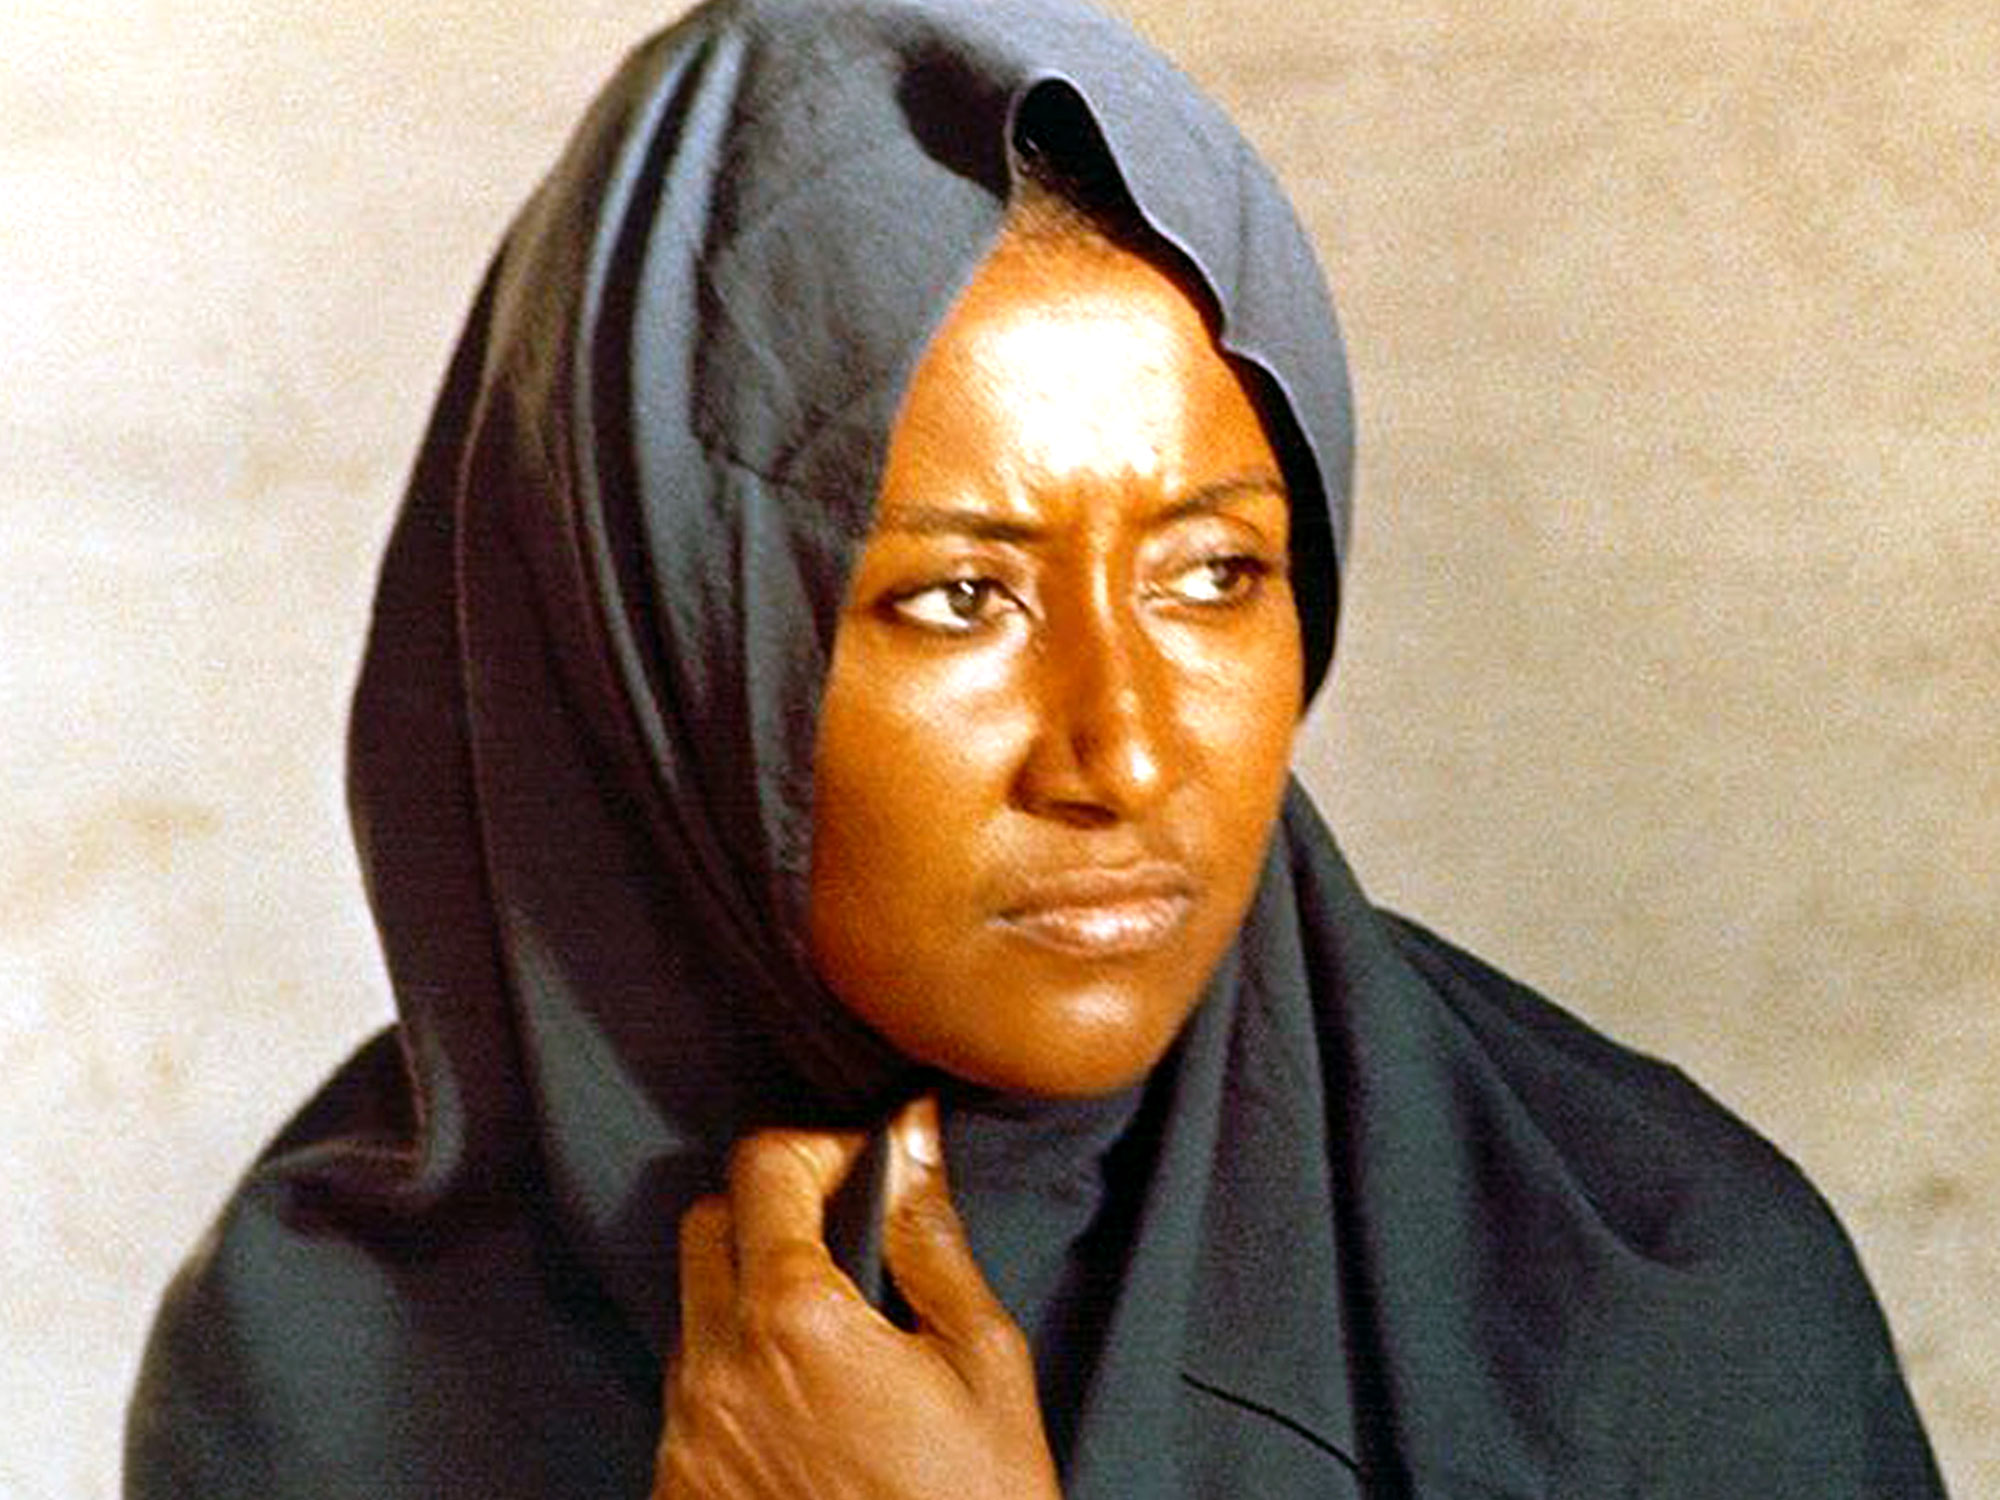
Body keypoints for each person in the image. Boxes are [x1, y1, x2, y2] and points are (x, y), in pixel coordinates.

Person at [125, 0, 1945, 1495]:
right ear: (655, 644)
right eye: (959, 599)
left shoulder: (1673, 1329)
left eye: (1214, 574)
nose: (1123, 755)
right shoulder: (320, 1375)